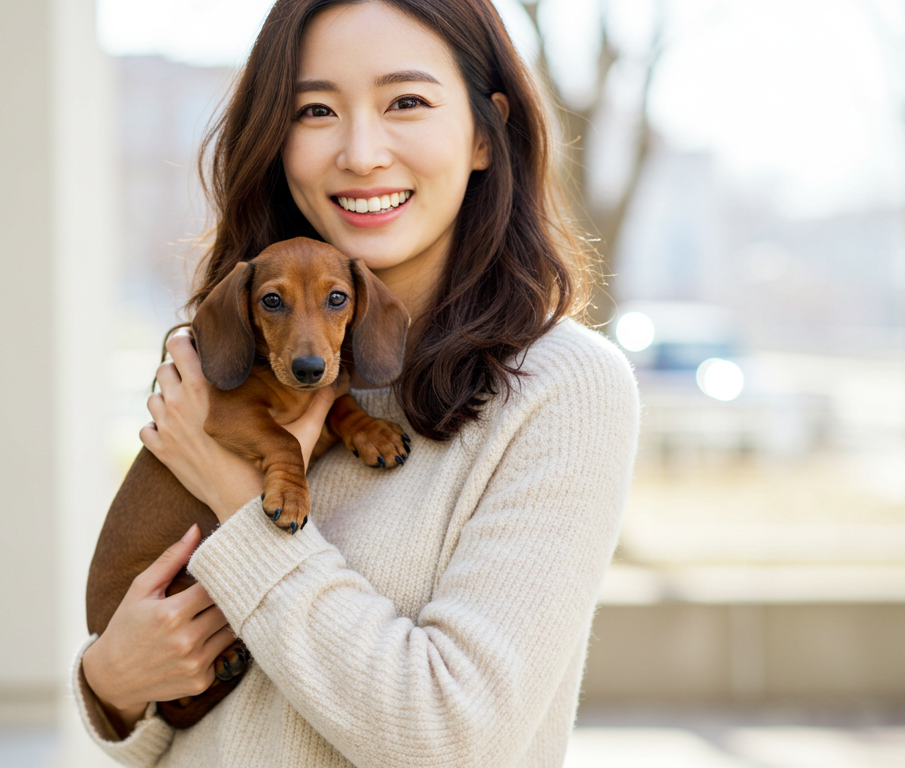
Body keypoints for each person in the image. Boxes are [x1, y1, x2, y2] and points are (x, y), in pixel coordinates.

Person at [73, 0, 640, 765]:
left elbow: (452, 738)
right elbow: (186, 730)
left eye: (406, 101)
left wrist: (239, 498)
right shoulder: (234, 359)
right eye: (316, 109)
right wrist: (111, 684)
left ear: (484, 132)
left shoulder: (560, 389)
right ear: (277, 139)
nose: (362, 153)